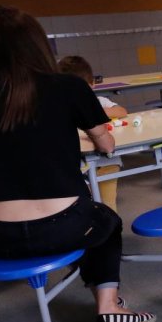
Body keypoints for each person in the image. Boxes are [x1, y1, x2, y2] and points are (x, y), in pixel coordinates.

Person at [0, 6, 155, 322]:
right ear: (38, 44)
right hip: (66, 227)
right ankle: (108, 307)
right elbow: (106, 145)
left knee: (87, 222)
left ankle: (100, 295)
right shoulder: (67, 86)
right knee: (104, 222)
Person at [58, 55, 126, 211]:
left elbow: (121, 111)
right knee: (88, 205)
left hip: (107, 162)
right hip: (80, 166)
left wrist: (93, 113)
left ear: (92, 84)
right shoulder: (60, 108)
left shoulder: (99, 101)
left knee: (108, 204)